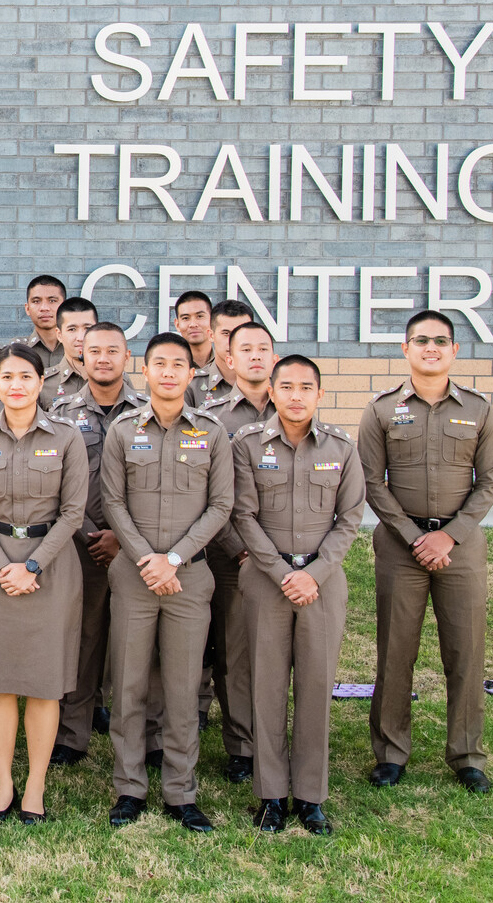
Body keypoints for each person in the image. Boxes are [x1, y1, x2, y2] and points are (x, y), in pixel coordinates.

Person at [359, 309, 493, 795]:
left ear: (454, 351)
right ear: (405, 349)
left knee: (465, 652)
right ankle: (391, 753)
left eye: (441, 341)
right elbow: (371, 482)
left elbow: (489, 483)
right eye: (421, 340)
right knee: (396, 652)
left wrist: (449, 536)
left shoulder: (479, 410)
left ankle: (467, 755)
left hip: (459, 547)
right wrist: (413, 535)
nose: (431, 348)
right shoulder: (381, 410)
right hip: (401, 547)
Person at [100, 332, 232, 833]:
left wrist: (173, 558)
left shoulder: (212, 433)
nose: (171, 372)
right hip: (134, 578)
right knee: (129, 685)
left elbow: (221, 505)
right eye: (160, 364)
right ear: (146, 371)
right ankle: (129, 788)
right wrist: (147, 559)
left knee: (181, 689)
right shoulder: (121, 430)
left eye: (179, 364)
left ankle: (181, 792)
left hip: (189, 578)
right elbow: (113, 502)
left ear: (192, 372)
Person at [231, 355, 366, 836]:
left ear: (320, 394)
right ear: (271, 390)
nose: (295, 395)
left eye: (305, 387)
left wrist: (315, 573)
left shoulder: (341, 447)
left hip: (323, 584)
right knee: (265, 687)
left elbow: (349, 518)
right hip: (266, 581)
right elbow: (242, 515)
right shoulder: (246, 445)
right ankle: (270, 796)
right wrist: (281, 571)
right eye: (285, 386)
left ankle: (310, 797)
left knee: (315, 688)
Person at [0, 345, 87, 824]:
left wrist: (31, 567)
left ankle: (35, 788)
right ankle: (2, 786)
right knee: (0, 683)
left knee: (44, 683)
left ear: (40, 382)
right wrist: (2, 565)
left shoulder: (67, 437)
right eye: (7, 376)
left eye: (25, 376)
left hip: (49, 567)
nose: (16, 385)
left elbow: (73, 512)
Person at [50, 322, 148, 766]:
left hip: (140, 547)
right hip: (81, 543)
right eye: (95, 351)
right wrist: (92, 533)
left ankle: (145, 732)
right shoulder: (61, 412)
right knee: (83, 638)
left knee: (139, 643)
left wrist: (124, 540)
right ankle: (73, 733)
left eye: (113, 350)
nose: (103, 358)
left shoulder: (150, 410)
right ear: (80, 357)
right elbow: (56, 484)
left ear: (128, 357)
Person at [200, 320, 279, 784]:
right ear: (227, 357)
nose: (254, 356)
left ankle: (275, 740)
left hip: (288, 554)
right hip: (232, 555)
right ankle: (242, 746)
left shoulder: (291, 406)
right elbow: (210, 495)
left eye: (262, 348)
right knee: (235, 653)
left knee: (274, 653)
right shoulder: (213, 418)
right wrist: (241, 551)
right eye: (243, 349)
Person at [41, 298, 99, 407]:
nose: (81, 337)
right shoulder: (44, 384)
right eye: (72, 329)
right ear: (59, 334)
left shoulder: (115, 378)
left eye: (87, 328)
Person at [197, 299, 256, 404]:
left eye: (240, 333)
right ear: (211, 335)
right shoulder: (191, 385)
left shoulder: (273, 383)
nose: (233, 341)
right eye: (226, 333)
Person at [15, 275, 66, 372]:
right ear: (27, 308)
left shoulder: (78, 346)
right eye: (36, 301)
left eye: (52, 301)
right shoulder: (16, 349)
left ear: (64, 306)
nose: (44, 308)